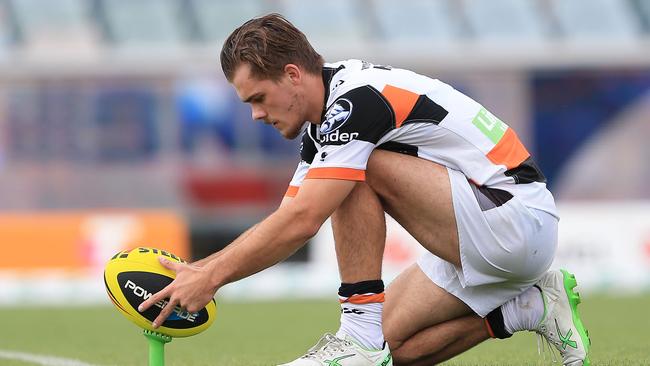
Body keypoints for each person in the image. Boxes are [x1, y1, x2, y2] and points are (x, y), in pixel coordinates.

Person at [138, 13, 591, 366]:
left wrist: (212, 278)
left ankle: (357, 335)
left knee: (354, 172)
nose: (256, 114)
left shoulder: (354, 105)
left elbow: (304, 221)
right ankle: (529, 308)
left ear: (293, 75)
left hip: (512, 219)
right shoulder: (329, 121)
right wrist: (198, 271)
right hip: (482, 228)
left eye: (258, 98)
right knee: (390, 353)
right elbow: (287, 216)